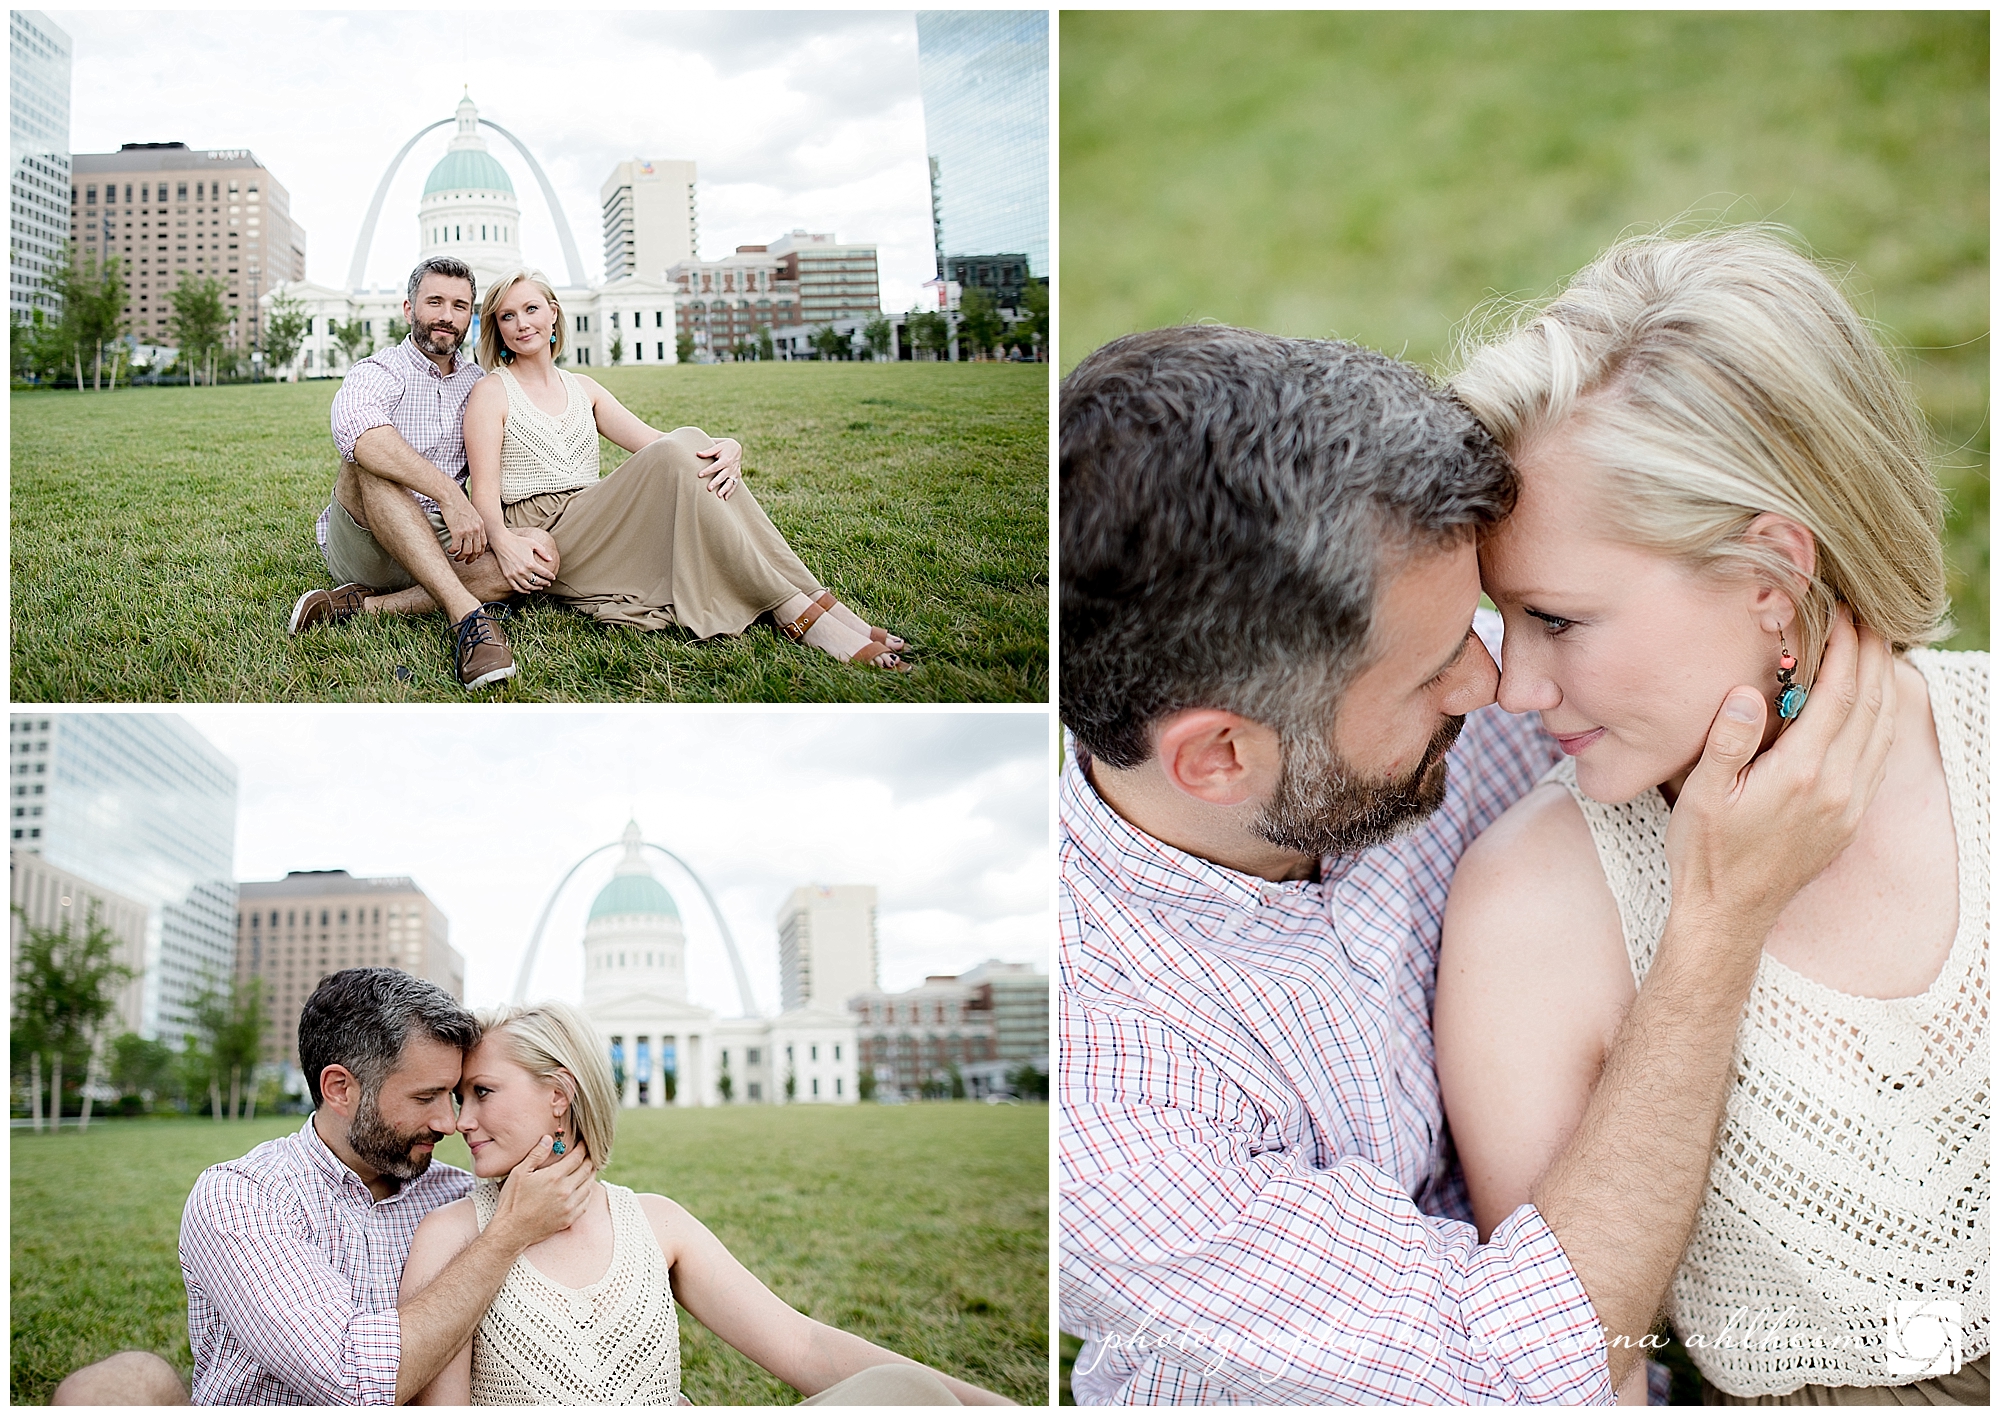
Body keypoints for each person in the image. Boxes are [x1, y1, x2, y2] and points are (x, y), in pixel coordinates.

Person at [1056, 324, 1898, 1402]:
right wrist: (1714, 927)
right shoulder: (1109, 1110)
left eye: (1487, 622)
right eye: (1431, 670)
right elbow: (1520, 1375)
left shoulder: (1409, 722)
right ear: (1218, 757)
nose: (1497, 686)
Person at [1437, 228, 1988, 1403]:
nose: (1512, 688)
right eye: (1503, 621)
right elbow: (1581, 1374)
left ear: (1768, 578)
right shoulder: (1535, 905)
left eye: (1556, 620)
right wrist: (1713, 925)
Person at [398, 1001, 1008, 1404]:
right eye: (458, 1096)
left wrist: (988, 1406)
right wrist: (508, 1232)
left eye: (481, 1093)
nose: (459, 1120)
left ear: (559, 1095)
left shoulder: (656, 1223)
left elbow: (803, 1347)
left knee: (901, 1391)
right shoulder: (451, 1234)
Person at [456, 269, 909, 669]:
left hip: (596, 515)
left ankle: (815, 600)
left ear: (553, 314)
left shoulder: (585, 388)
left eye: (531, 309)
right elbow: (484, 493)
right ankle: (799, 612)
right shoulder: (492, 391)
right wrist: (506, 546)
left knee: (692, 446)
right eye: (507, 316)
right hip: (546, 531)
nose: (522, 324)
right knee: (686, 447)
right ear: (496, 327)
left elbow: (662, 444)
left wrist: (726, 446)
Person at [288, 255, 548, 691]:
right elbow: (360, 433)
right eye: (435, 302)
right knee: (371, 459)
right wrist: (449, 493)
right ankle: (467, 616)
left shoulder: (480, 383)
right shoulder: (380, 370)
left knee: (537, 552)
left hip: (440, 542)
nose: (447, 317)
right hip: (369, 537)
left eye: (460, 306)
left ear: (472, 315)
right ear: (410, 309)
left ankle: (365, 609)